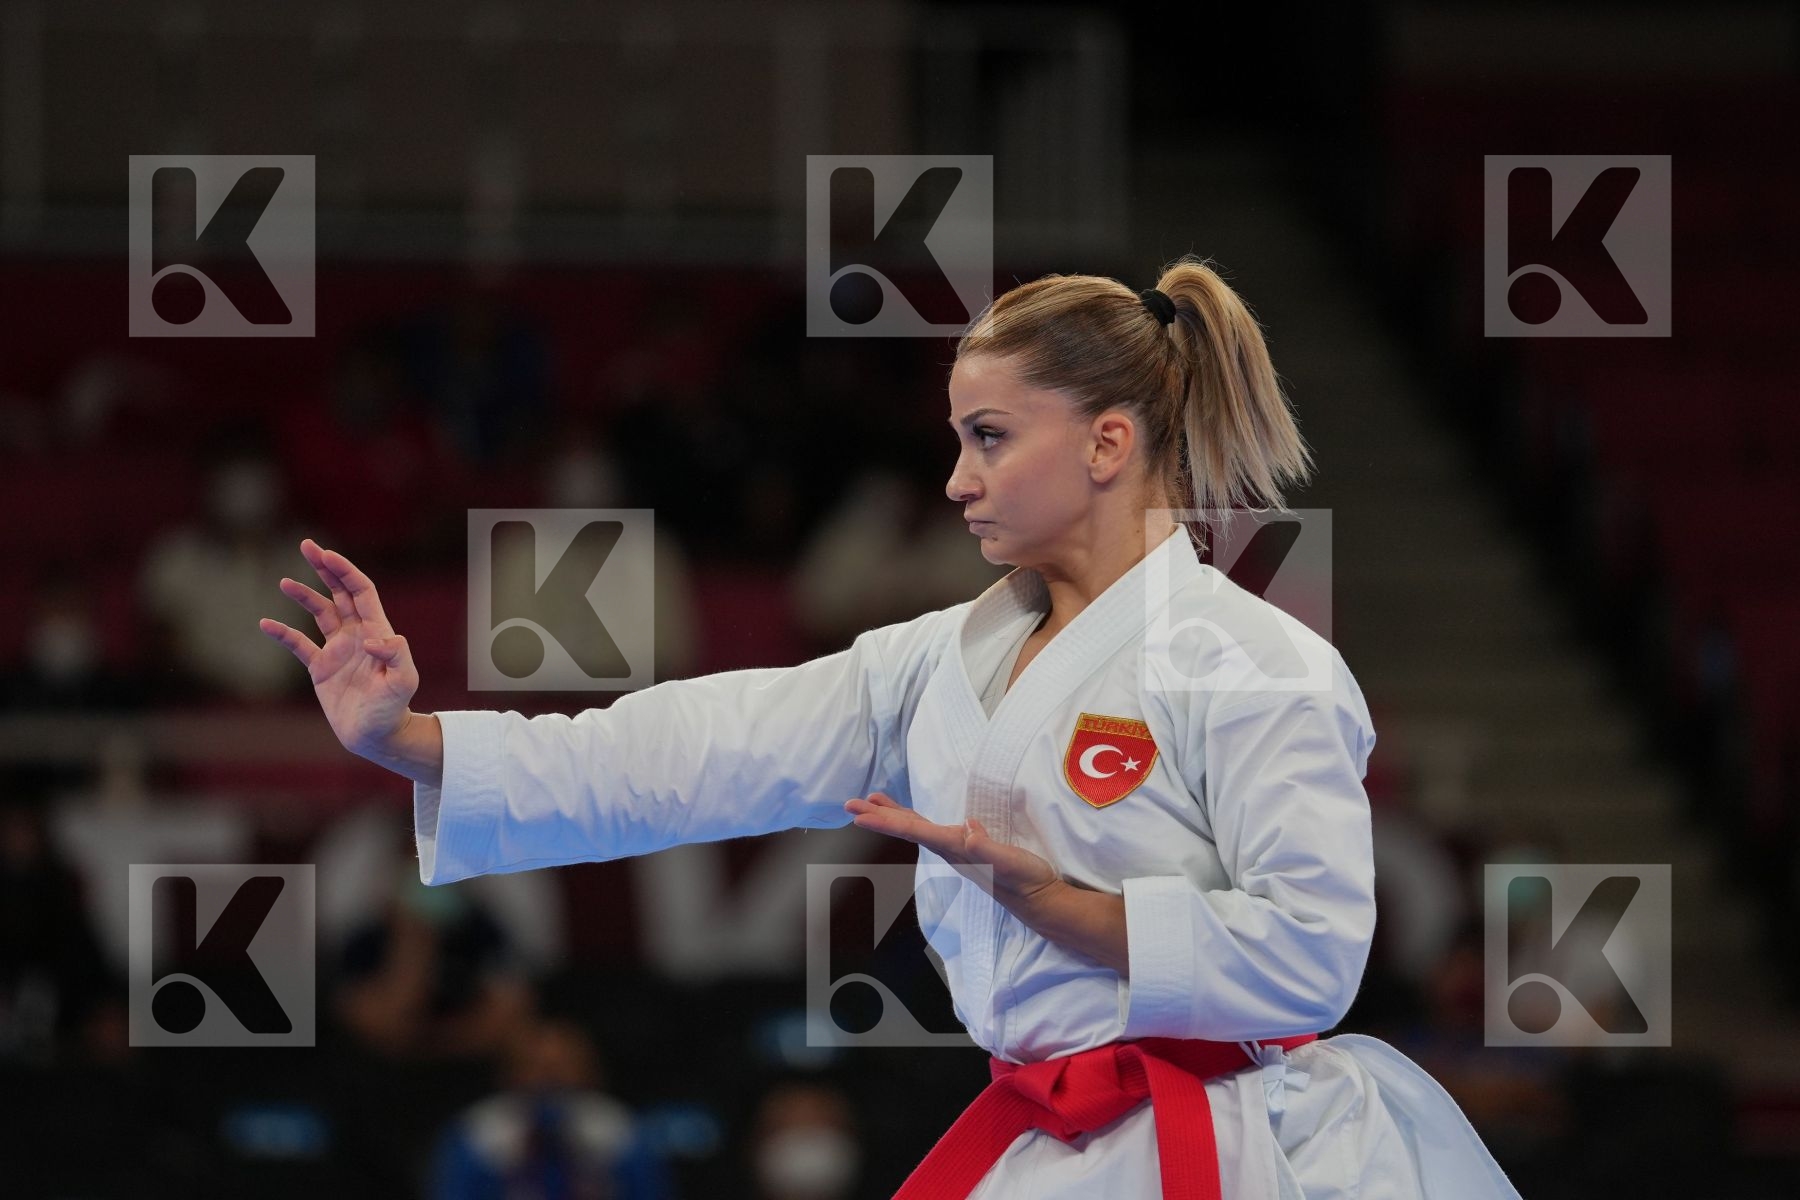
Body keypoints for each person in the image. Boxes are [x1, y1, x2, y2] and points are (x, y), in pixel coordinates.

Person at [260, 256, 1525, 1198]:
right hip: (1044, 1138)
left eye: (988, 438)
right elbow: (688, 756)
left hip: (1245, 1146)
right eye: (956, 439)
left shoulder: (1256, 663)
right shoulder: (937, 661)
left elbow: (1315, 953)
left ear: (1108, 441)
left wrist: (1065, 907)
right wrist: (415, 742)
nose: (956, 479)